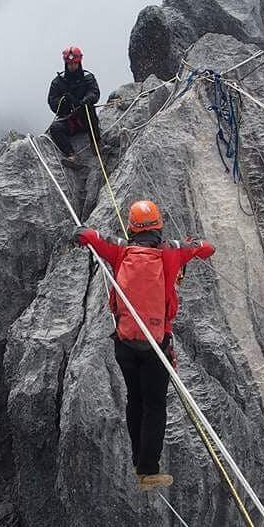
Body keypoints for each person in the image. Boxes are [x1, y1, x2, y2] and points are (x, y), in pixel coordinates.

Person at [74, 200, 215, 490]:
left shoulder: (120, 250)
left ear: (131, 226)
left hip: (125, 345)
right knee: (154, 405)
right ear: (159, 225)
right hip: (155, 348)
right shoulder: (171, 252)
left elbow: (91, 237)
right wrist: (194, 244)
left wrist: (81, 233)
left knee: (135, 400)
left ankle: (139, 457)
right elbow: (207, 248)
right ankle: (148, 471)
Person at [47, 45, 101, 168]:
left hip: (84, 118)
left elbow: (94, 92)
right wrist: (63, 101)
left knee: (89, 109)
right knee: (55, 128)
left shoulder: (87, 78)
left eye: (75, 63)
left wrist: (87, 99)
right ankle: (71, 155)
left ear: (79, 62)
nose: (72, 66)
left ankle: (97, 144)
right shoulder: (58, 82)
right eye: (70, 64)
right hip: (69, 120)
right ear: (66, 64)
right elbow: (52, 102)